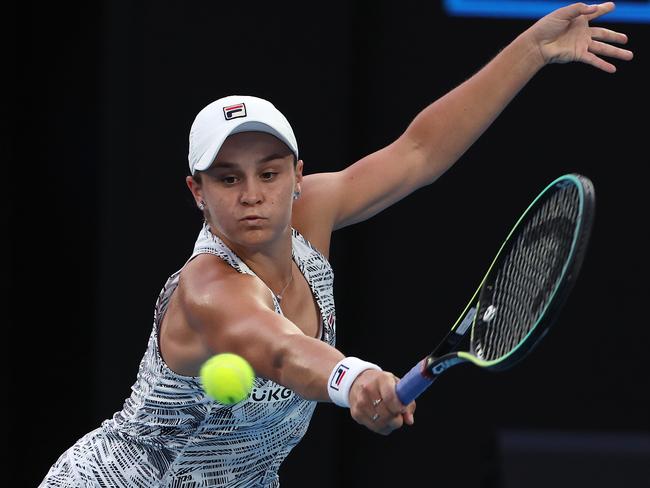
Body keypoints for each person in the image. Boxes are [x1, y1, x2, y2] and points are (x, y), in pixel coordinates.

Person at [40, 3, 633, 487]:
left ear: (298, 176)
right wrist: (356, 380)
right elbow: (279, 352)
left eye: (269, 173)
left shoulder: (309, 214)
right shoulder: (208, 290)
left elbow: (418, 153)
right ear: (196, 191)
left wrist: (530, 49)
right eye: (228, 178)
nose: (252, 195)